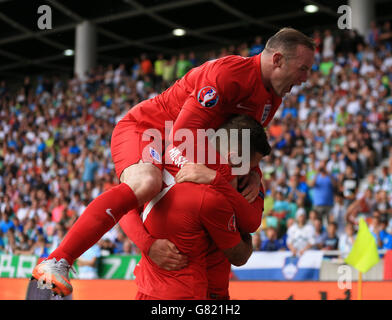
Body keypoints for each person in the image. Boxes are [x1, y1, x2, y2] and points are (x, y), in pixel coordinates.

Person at [32, 27, 315, 297]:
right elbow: (183, 133)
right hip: (149, 130)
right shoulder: (228, 74)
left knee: (220, 191)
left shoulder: (272, 97)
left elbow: (244, 145)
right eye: (303, 69)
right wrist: (148, 243)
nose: (306, 78)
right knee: (145, 183)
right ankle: (57, 260)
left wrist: (252, 171)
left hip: (185, 145)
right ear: (277, 59)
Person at [130, 115, 271, 299]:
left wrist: (147, 244)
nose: (252, 171)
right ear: (233, 159)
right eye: (252, 166)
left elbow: (125, 207)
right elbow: (240, 255)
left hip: (147, 287)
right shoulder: (211, 197)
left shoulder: (164, 154)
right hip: (195, 293)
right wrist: (247, 239)